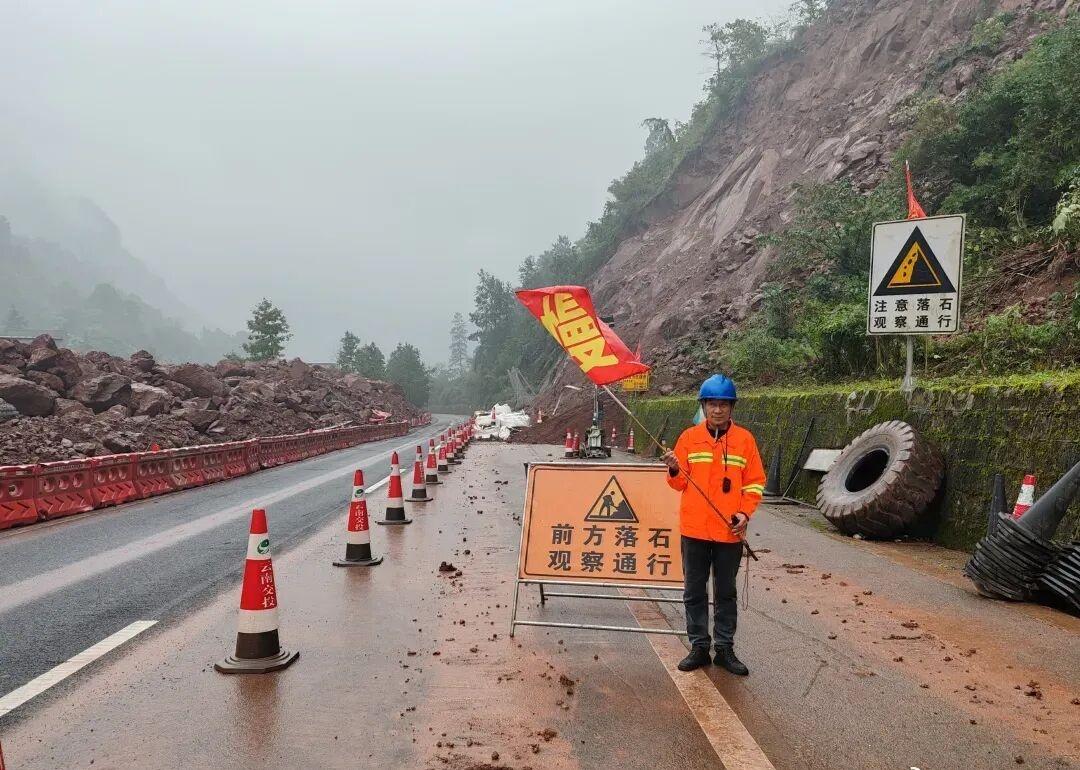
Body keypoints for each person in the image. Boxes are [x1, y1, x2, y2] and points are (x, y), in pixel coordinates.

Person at [662, 374, 766, 675]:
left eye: (723, 404)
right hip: (694, 530)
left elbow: (756, 482)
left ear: (731, 407)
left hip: (728, 532)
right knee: (694, 591)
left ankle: (724, 648)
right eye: (711, 404)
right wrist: (672, 468)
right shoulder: (688, 438)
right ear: (703, 406)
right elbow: (680, 483)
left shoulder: (745, 441)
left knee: (725, 592)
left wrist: (745, 514)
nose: (717, 410)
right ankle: (698, 646)